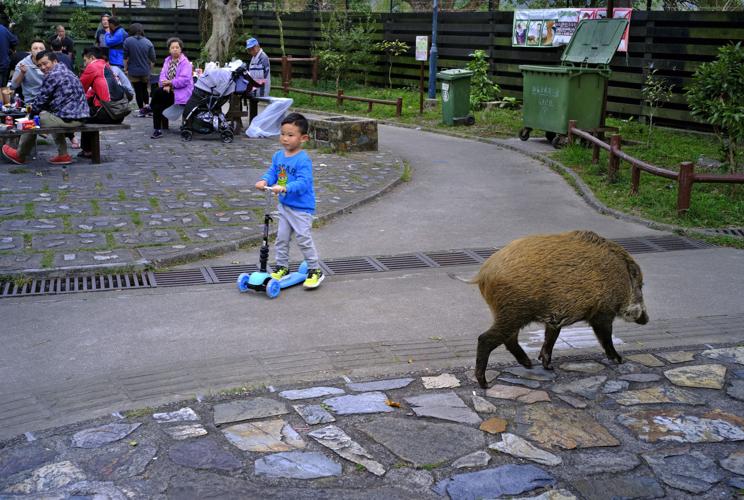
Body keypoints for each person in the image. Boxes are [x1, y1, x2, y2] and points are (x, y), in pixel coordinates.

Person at [254, 113, 324, 289]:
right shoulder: (278, 156)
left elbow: (303, 182)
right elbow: (272, 172)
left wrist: (285, 187)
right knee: (281, 238)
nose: (285, 138)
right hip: (285, 206)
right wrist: (265, 181)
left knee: (303, 239)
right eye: (282, 134)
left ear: (303, 138)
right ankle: (282, 267)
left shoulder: (303, 159)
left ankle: (315, 270)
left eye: (290, 135)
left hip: (301, 208)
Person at [1, 51, 88, 166]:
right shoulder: (66, 71)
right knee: (49, 116)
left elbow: (41, 100)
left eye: (45, 63)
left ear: (54, 61)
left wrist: (31, 116)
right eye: (39, 65)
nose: (42, 67)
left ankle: (19, 155)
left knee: (32, 120)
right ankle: (63, 155)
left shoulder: (53, 75)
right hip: (79, 116)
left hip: (70, 119)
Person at [78, 46, 128, 159]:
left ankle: (87, 150)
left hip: (107, 113)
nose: (85, 64)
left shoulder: (92, 66)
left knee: (83, 115)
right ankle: (87, 149)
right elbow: (93, 91)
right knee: (87, 111)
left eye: (85, 60)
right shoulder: (106, 66)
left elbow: (79, 88)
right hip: (118, 112)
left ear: (91, 58)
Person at [150, 37, 192, 139]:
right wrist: (166, 85)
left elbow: (184, 80)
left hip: (180, 93)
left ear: (181, 49)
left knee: (156, 96)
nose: (175, 49)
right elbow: (162, 76)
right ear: (169, 49)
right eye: (172, 47)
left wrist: (170, 83)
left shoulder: (185, 63)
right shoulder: (167, 61)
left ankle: (149, 108)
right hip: (167, 91)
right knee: (157, 105)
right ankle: (157, 130)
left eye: (177, 47)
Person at [123, 23, 155, 117]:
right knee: (145, 89)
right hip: (145, 71)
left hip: (133, 71)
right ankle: (148, 108)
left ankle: (141, 110)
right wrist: (149, 69)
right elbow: (153, 59)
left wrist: (125, 68)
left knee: (138, 90)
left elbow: (125, 57)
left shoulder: (127, 41)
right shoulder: (148, 42)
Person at [9, 40, 46, 105]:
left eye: (41, 48)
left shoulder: (49, 63)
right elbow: (14, 86)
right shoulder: (23, 64)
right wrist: (22, 73)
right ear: (30, 51)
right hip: (32, 101)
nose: (38, 50)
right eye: (35, 48)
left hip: (48, 99)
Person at [0, 21, 18, 87]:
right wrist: (11, 29)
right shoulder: (2, 29)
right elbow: (15, 41)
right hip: (2, 66)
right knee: (3, 90)